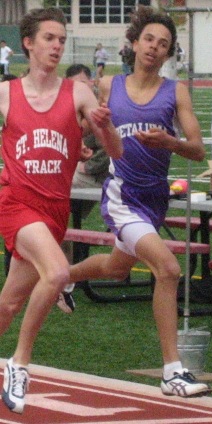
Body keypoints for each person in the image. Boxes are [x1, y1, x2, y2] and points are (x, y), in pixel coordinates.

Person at [70, 5, 211, 398]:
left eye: (163, 43)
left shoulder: (175, 92)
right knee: (167, 269)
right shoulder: (108, 85)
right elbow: (82, 128)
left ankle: (63, 278)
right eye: (149, 39)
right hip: (121, 193)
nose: (154, 47)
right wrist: (80, 145)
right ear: (134, 43)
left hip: (154, 198)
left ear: (168, 54)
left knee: (116, 269)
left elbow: (197, 150)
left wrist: (171, 142)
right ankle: (172, 371)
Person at [0, 7, 122, 415]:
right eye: (49, 38)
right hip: (17, 204)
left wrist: (103, 127)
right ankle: (20, 364)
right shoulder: (6, 94)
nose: (57, 45)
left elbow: (117, 151)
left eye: (62, 39)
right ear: (28, 44)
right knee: (58, 273)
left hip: (54, 212)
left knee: (9, 303)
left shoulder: (79, 93)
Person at [57, 63, 110, 314]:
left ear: (91, 82)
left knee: (54, 200)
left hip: (97, 178)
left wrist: (84, 166)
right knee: (57, 218)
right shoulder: (73, 108)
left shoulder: (100, 108)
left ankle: (64, 280)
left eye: (83, 82)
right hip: (80, 178)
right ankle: (59, 278)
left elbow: (111, 148)